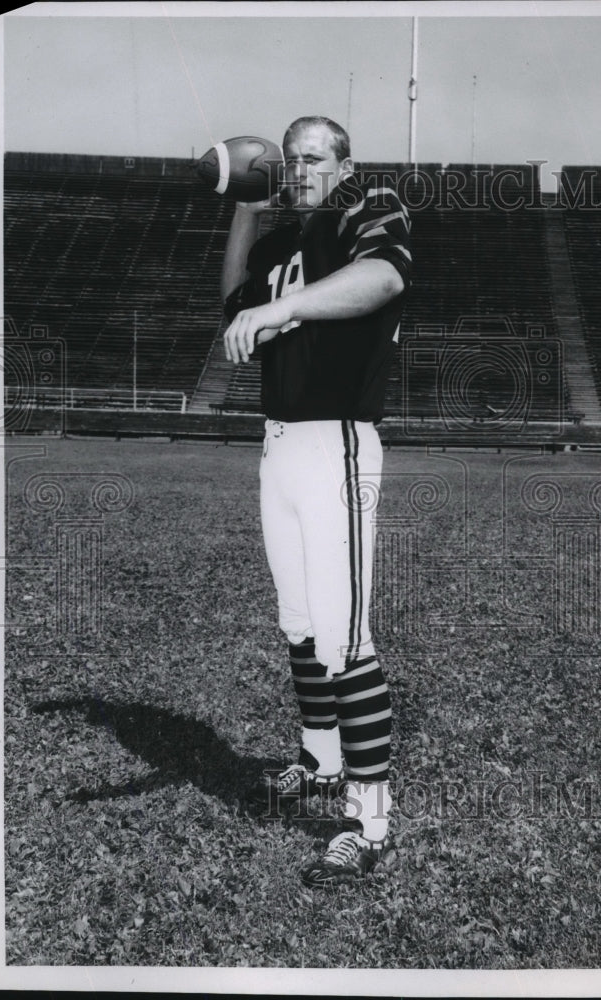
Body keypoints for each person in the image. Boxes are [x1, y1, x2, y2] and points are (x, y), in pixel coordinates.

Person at [221, 116, 411, 887]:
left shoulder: (368, 207)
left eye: (311, 159)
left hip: (336, 443)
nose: (298, 171)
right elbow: (234, 301)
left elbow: (385, 278)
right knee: (299, 628)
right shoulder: (278, 242)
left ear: (343, 165)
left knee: (345, 643)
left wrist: (280, 310)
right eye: (288, 161)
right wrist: (243, 204)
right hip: (280, 446)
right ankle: (320, 762)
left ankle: (368, 823)